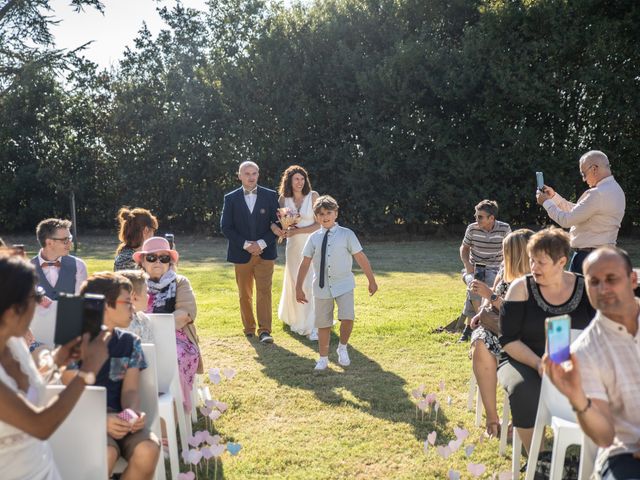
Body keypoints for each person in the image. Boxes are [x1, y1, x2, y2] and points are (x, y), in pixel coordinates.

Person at [0, 251, 110, 480]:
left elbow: (24, 394)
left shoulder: (15, 344)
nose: (41, 304)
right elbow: (40, 425)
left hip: (45, 470)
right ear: (12, 311)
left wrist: (58, 360)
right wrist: (87, 372)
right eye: (36, 296)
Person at [544, 247, 640, 479]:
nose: (603, 289)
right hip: (625, 454)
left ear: (633, 279)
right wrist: (577, 397)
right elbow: (605, 437)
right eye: (593, 281)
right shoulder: (584, 352)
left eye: (611, 279)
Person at [498, 227, 594, 454]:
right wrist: (538, 364)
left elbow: (599, 332)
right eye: (532, 261)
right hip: (523, 358)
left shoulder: (586, 288)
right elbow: (508, 339)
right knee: (523, 389)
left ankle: (592, 456)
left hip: (573, 362)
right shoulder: (521, 287)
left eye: (541, 262)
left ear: (562, 262)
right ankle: (538, 459)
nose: (534, 268)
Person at [71, 272, 160, 479]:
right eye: (127, 303)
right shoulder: (74, 343)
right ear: (105, 306)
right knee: (106, 453)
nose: (133, 308)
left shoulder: (131, 343)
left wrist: (132, 415)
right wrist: (101, 419)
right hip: (85, 420)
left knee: (148, 449)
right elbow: (71, 393)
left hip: (121, 422)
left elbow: (130, 390)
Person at [295, 195, 378, 371]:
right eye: (321, 214)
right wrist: (298, 287)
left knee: (348, 317)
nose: (325, 217)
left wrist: (371, 280)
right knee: (323, 324)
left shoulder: (347, 235)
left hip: (344, 284)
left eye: (329, 212)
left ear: (336, 213)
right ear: (316, 217)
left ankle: (342, 347)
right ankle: (323, 358)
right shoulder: (313, 238)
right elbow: (305, 263)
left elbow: (360, 257)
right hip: (321, 287)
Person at [469, 228, 533, 437]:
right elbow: (490, 297)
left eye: (506, 250)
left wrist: (492, 296)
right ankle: (492, 417)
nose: (503, 254)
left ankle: (518, 420)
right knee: (480, 343)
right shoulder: (504, 269)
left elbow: (521, 316)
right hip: (494, 330)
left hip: (521, 336)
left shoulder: (535, 279)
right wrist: (481, 311)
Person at [133, 237, 202, 412]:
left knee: (172, 357)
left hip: (176, 337)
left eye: (163, 258)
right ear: (142, 261)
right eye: (151, 257)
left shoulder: (180, 282)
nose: (158, 262)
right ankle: (135, 408)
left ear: (169, 262)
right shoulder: (133, 284)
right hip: (138, 337)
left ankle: (175, 407)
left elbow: (185, 315)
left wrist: (151, 327)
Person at [536, 150, 625, 275]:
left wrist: (546, 202)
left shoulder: (597, 193)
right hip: (605, 255)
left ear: (594, 169)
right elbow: (579, 211)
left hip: (588, 257)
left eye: (584, 174)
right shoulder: (616, 190)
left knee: (579, 294)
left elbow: (566, 220)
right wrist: (554, 197)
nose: (583, 179)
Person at [220, 161, 279, 344]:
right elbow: (226, 227)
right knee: (244, 294)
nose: (251, 177)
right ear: (239, 175)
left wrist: (261, 243)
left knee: (264, 292)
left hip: (265, 253)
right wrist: (246, 244)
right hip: (241, 253)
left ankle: (265, 331)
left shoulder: (270, 196)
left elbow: (276, 225)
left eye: (254, 173)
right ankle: (249, 328)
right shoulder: (230, 198)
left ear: (258, 175)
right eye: (247, 173)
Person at [272, 165, 320, 339]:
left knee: (310, 282)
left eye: (302, 179)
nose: (300, 182)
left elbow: (319, 223)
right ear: (289, 181)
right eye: (296, 179)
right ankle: (294, 317)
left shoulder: (313, 196)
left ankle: (311, 324)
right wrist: (283, 231)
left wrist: (298, 231)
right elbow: (282, 223)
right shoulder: (284, 199)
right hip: (293, 247)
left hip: (312, 245)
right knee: (294, 280)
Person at [458, 200, 512, 342]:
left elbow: (509, 251)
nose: (476, 219)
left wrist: (504, 268)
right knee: (476, 283)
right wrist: (468, 265)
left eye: (480, 217)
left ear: (491, 218)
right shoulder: (472, 228)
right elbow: (464, 249)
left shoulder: (504, 228)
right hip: (476, 268)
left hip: (496, 268)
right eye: (476, 216)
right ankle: (481, 323)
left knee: (477, 286)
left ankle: (471, 326)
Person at [31, 218, 88, 300]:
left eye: (70, 238)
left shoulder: (79, 266)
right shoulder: (27, 269)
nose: (70, 243)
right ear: (49, 243)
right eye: (65, 240)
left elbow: (80, 303)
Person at [118, 270, 155, 343]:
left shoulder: (144, 319)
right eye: (146, 292)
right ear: (134, 297)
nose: (148, 296)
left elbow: (151, 349)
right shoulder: (118, 324)